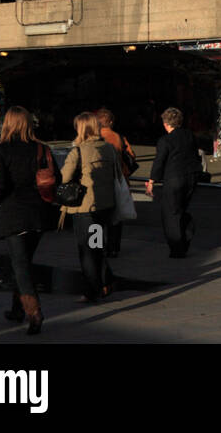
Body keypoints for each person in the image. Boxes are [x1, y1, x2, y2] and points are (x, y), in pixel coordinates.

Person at [0, 107, 56, 333]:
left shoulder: (0, 150)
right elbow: (52, 179)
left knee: (20, 265)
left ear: (7, 124)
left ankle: (33, 311)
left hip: (14, 212)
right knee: (24, 261)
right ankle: (16, 309)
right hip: (39, 212)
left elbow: (0, 185)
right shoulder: (41, 148)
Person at [59, 111, 119, 302]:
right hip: (104, 206)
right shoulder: (108, 148)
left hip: (86, 209)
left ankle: (92, 289)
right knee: (97, 246)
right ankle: (103, 283)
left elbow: (64, 178)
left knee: (87, 251)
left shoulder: (78, 151)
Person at [146, 107, 202, 258]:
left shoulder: (165, 140)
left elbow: (159, 161)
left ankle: (177, 247)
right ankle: (186, 233)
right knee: (182, 208)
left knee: (171, 213)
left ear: (165, 123)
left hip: (174, 179)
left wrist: (152, 180)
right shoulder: (189, 135)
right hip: (191, 177)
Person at [96, 108, 136, 257]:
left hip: (99, 184)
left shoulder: (93, 138)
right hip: (117, 182)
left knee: (97, 219)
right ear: (111, 122)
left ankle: (97, 246)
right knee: (115, 218)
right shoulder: (119, 137)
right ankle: (113, 248)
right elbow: (131, 156)